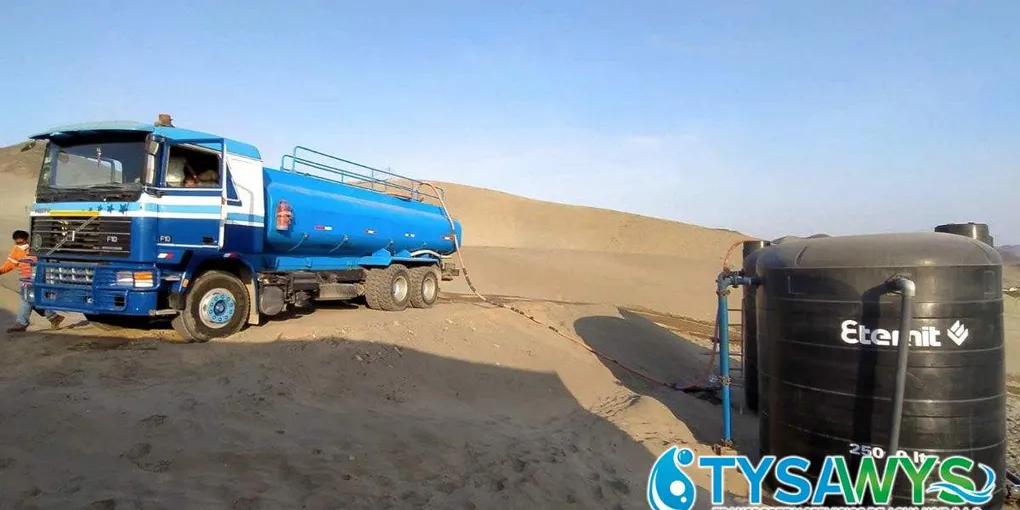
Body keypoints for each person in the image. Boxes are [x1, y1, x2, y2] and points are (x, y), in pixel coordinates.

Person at [1, 230, 64, 333]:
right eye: (18, 243)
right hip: (24, 279)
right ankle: (54, 317)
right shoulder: (16, 250)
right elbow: (10, 264)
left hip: (35, 278)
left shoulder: (36, 249)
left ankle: (21, 323)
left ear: (28, 239)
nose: (20, 245)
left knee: (26, 299)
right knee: (33, 299)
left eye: (22, 242)